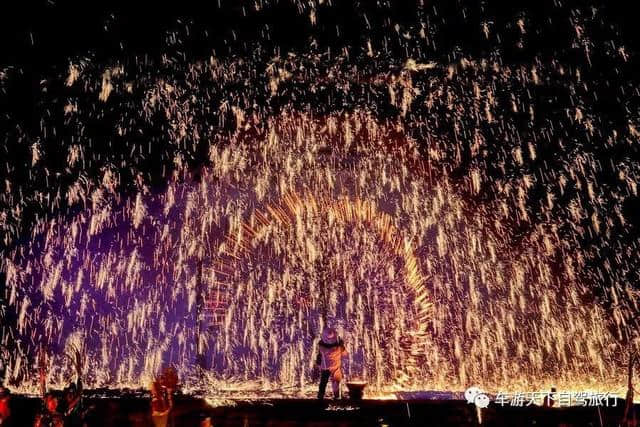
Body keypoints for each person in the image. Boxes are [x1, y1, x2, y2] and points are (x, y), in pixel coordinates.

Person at [315, 327, 347, 400]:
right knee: (336, 382)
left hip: (325, 367)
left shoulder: (322, 347)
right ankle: (337, 396)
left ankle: (320, 396)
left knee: (323, 382)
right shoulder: (339, 348)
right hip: (336, 367)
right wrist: (342, 344)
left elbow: (320, 354)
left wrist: (318, 362)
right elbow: (345, 354)